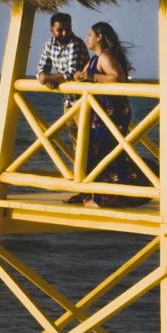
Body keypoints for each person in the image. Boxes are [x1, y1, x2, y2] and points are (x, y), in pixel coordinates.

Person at [80, 22, 135, 206]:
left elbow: (116, 77)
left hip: (113, 111)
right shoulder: (95, 59)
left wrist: (92, 78)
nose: (87, 38)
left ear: (99, 37)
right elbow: (85, 74)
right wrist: (79, 76)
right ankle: (96, 194)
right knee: (96, 151)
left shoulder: (105, 57)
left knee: (106, 151)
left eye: (90, 35)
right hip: (100, 112)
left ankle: (103, 197)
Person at [34, 12, 88, 87]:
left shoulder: (75, 44)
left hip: (84, 94)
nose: (64, 33)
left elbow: (72, 74)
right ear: (51, 30)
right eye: (60, 30)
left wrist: (48, 78)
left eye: (68, 29)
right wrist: (49, 79)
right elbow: (40, 70)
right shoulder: (49, 44)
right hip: (70, 96)